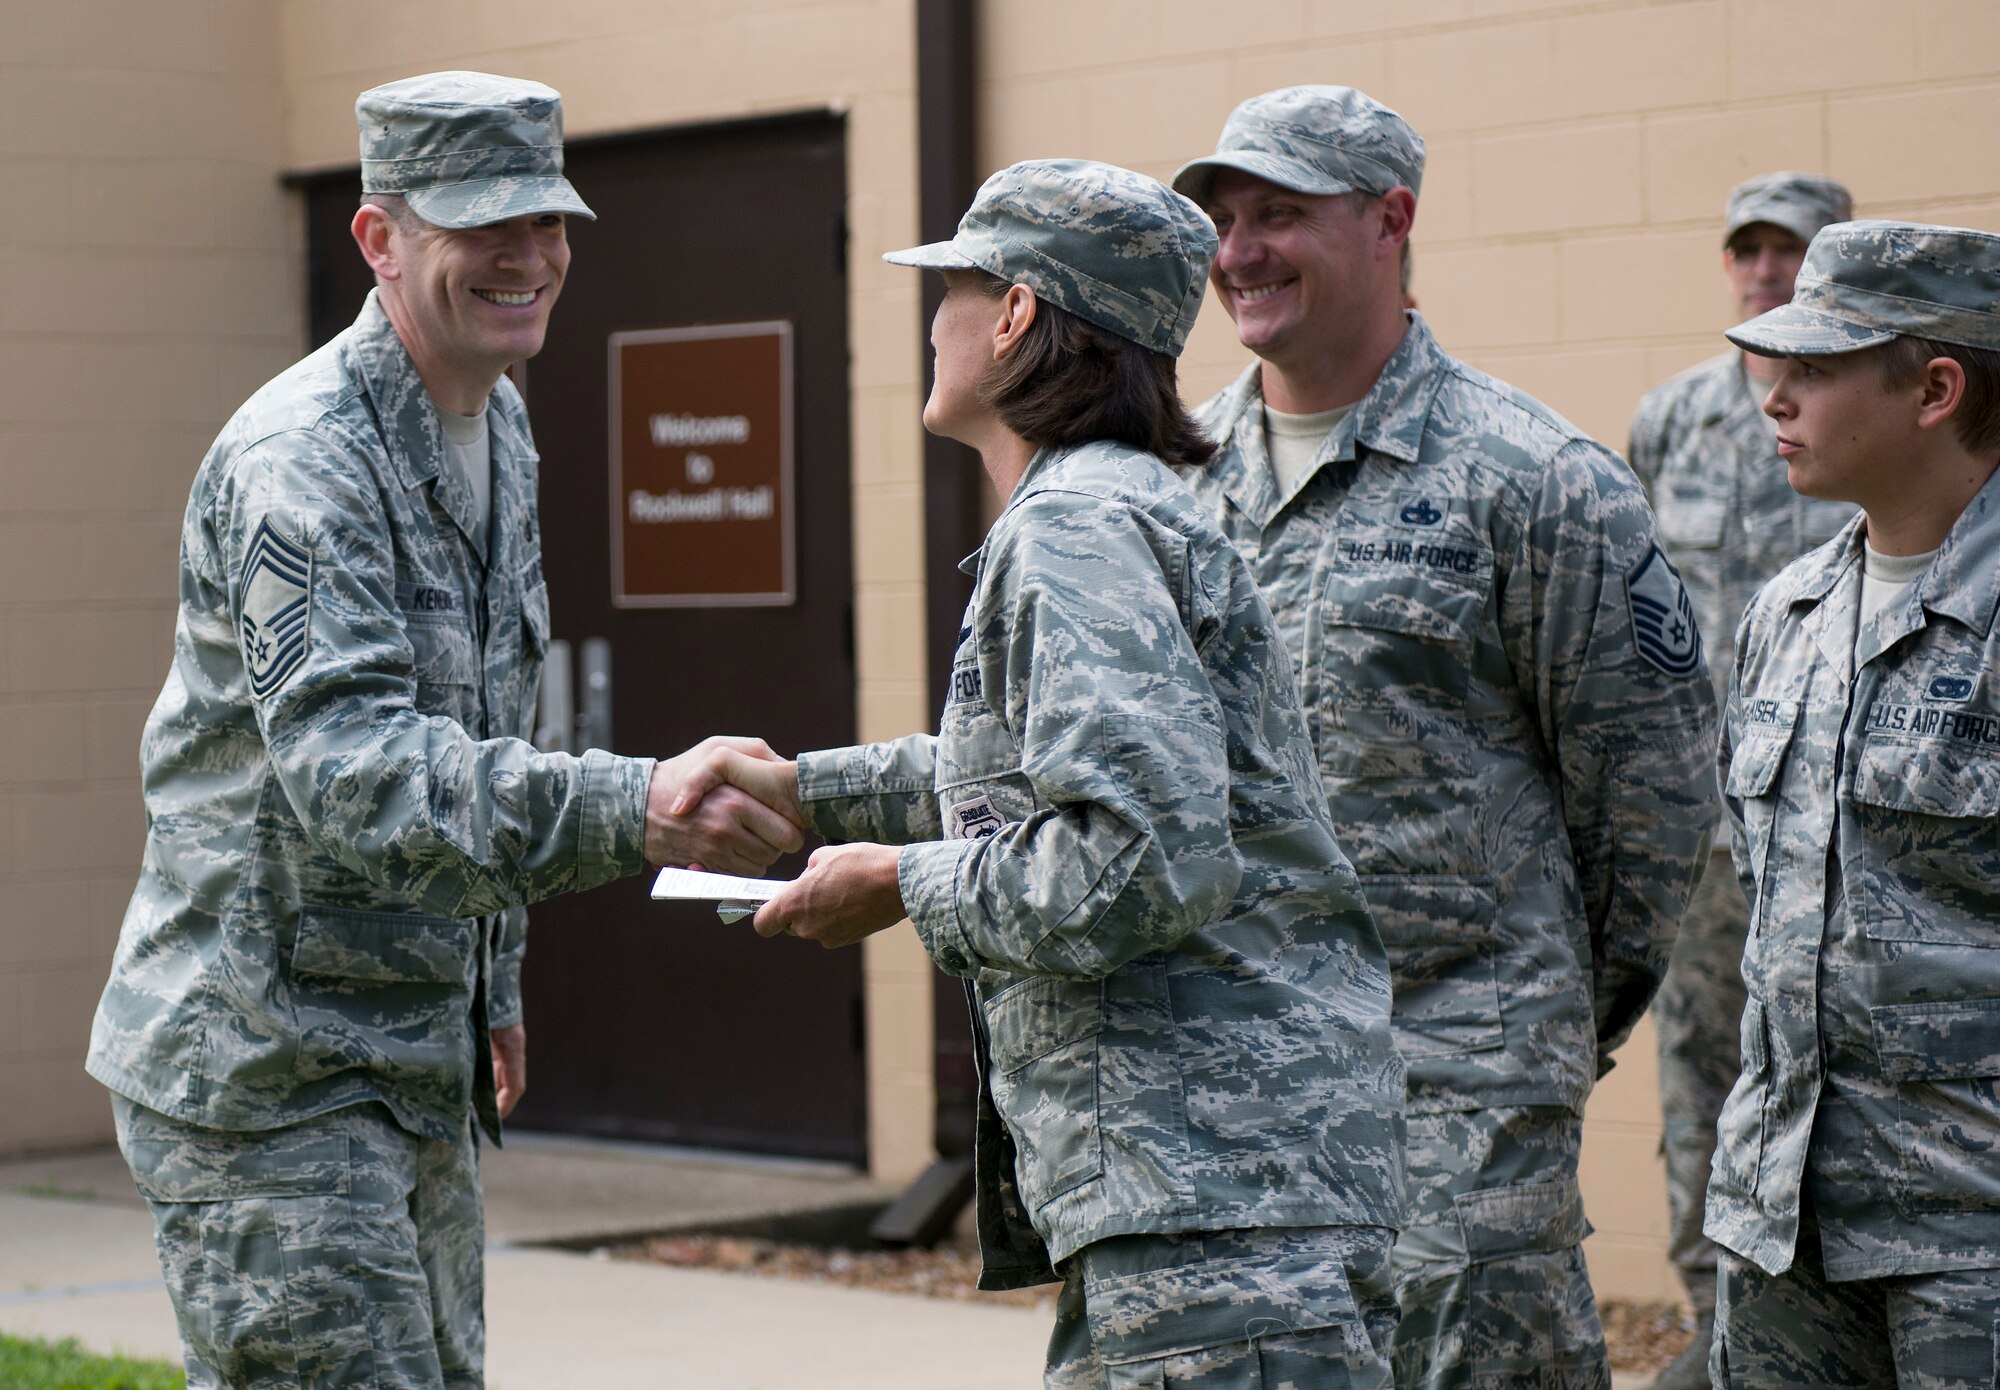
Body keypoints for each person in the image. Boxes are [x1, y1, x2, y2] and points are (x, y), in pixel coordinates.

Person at [85, 71, 801, 1389]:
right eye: (483, 225)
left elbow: (477, 713)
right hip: (271, 1068)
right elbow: (357, 773)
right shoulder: (305, 463)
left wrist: (491, 981)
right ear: (380, 238)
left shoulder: (497, 423)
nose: (526, 256)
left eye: (546, 219)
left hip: (408, 1049)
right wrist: (633, 802)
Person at [676, 158, 1406, 1387]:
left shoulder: (1077, 529)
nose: (932, 321)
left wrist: (902, 883)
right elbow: (1026, 768)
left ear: (1014, 314)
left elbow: (1140, 860)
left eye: (952, 289)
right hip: (1211, 1209)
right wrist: (807, 789)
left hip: (1213, 1219)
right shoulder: (1107, 508)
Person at [1169, 85, 1718, 1388]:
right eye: (1224, 218)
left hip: (1462, 1125)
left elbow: (1655, 808)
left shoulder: (1536, 480)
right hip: (1236, 1108)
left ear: (1389, 221)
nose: (1237, 250)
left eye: (1279, 214)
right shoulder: (1174, 478)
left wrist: (1520, 1035)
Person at [1708, 220, 2000, 1388]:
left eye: (1816, 368)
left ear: (1933, 388)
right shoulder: (1784, 614)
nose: (1773, 397)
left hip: (1969, 1238)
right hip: (1783, 1228)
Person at [1625, 169, 1855, 1390]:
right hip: (1704, 833)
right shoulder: (1672, 421)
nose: (1765, 270)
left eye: (1791, 249)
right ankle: (1713, 1314)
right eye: (1747, 250)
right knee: (1697, 1063)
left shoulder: (1869, 410)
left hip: (1832, 826)